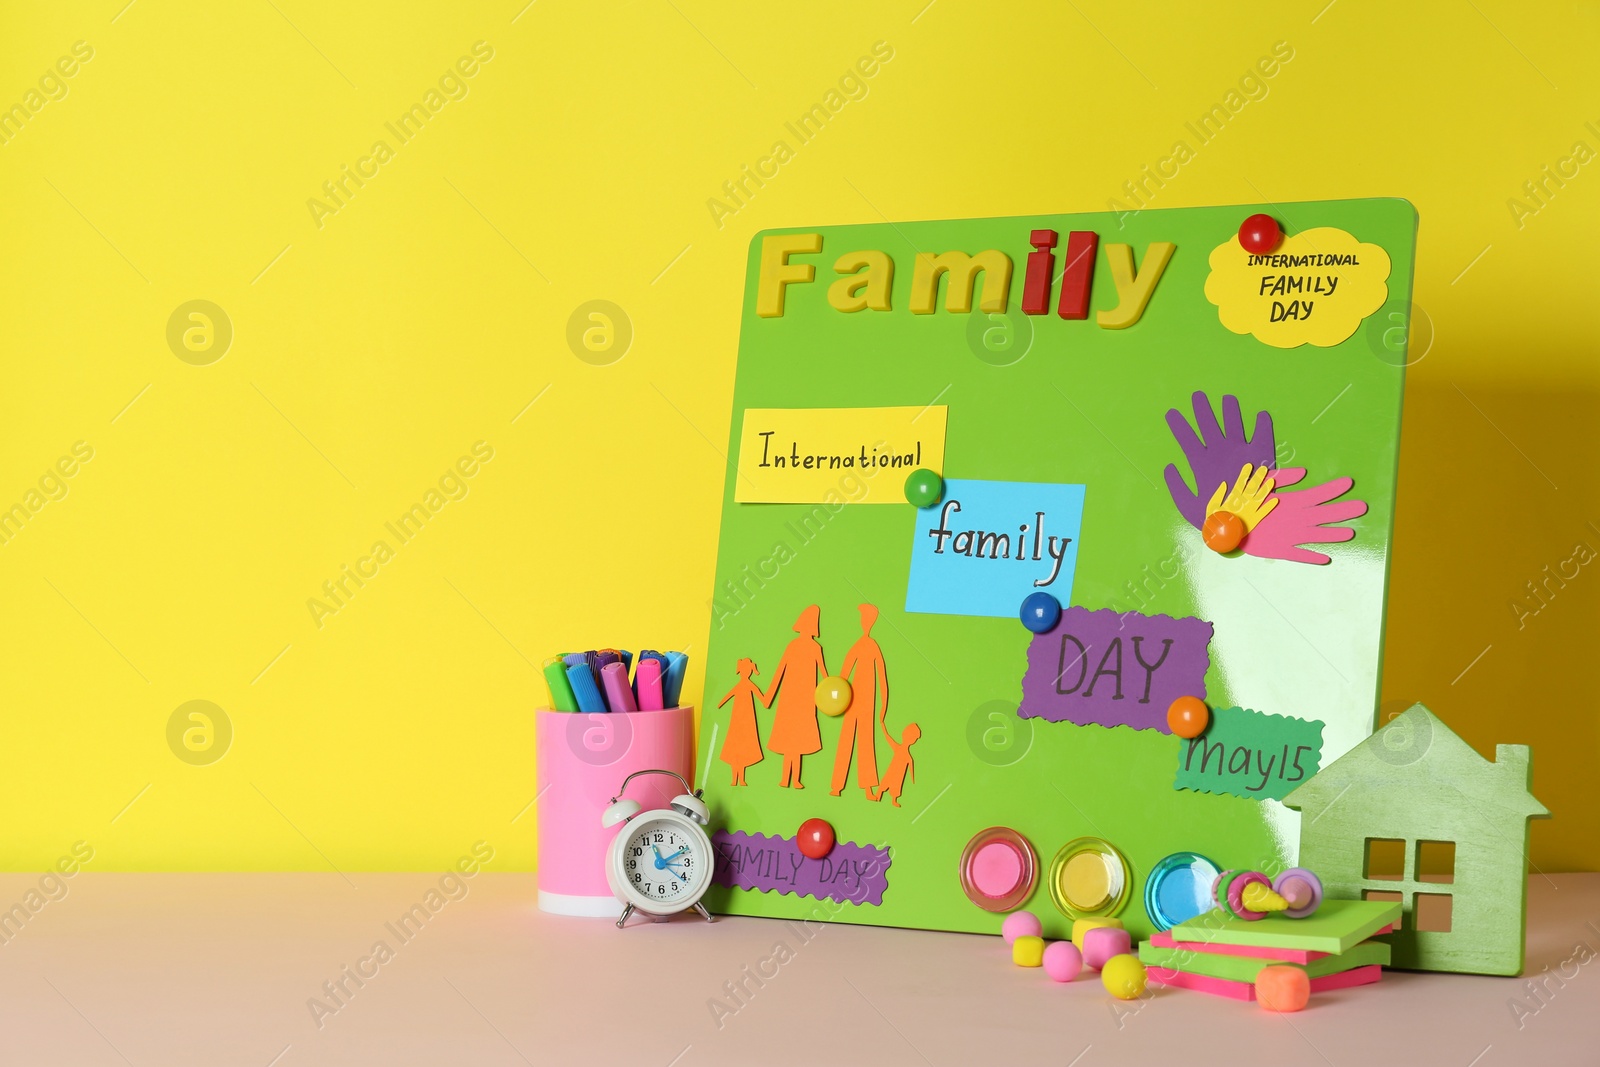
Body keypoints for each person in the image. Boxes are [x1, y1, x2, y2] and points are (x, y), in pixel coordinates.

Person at [763, 605, 827, 789]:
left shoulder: (815, 647)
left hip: (806, 698)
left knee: (797, 742)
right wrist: (770, 694)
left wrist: (832, 691)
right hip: (791, 697)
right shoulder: (795, 646)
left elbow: (823, 673)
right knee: (790, 741)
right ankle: (786, 779)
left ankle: (795, 779)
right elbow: (781, 669)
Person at [831, 604, 887, 798]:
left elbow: (881, 677)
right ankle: (837, 786)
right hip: (851, 698)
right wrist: (834, 698)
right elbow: (844, 673)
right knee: (847, 739)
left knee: (865, 742)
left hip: (867, 701)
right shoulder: (860, 645)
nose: (866, 624)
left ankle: (868, 788)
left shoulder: (872, 646)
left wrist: (883, 705)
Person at [716, 658, 766, 786]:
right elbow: (728, 695)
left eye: (748, 670)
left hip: (747, 719)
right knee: (735, 749)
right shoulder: (743, 685)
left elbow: (761, 697)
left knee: (744, 748)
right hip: (737, 720)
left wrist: (766, 700)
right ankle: (735, 779)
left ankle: (741, 779)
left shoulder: (749, 685)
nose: (746, 673)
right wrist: (720, 703)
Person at [870, 722, 920, 808]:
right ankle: (878, 795)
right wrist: (882, 724)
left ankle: (893, 800)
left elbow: (910, 766)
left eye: (914, 738)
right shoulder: (899, 749)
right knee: (885, 782)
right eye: (914, 738)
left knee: (896, 787)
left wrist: (913, 778)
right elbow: (888, 737)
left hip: (899, 775)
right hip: (892, 771)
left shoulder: (908, 756)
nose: (913, 740)